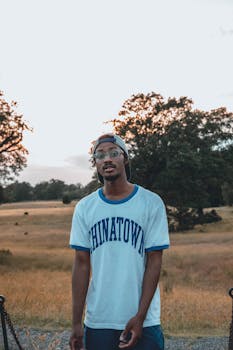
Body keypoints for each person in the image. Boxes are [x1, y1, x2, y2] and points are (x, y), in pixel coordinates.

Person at [69, 133, 170, 350]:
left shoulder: (151, 203)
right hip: (99, 320)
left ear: (125, 159)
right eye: (100, 155)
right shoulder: (85, 208)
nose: (107, 159)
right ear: (95, 163)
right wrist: (77, 322)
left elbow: (154, 262)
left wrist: (140, 317)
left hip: (144, 319)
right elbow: (81, 263)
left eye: (114, 153)